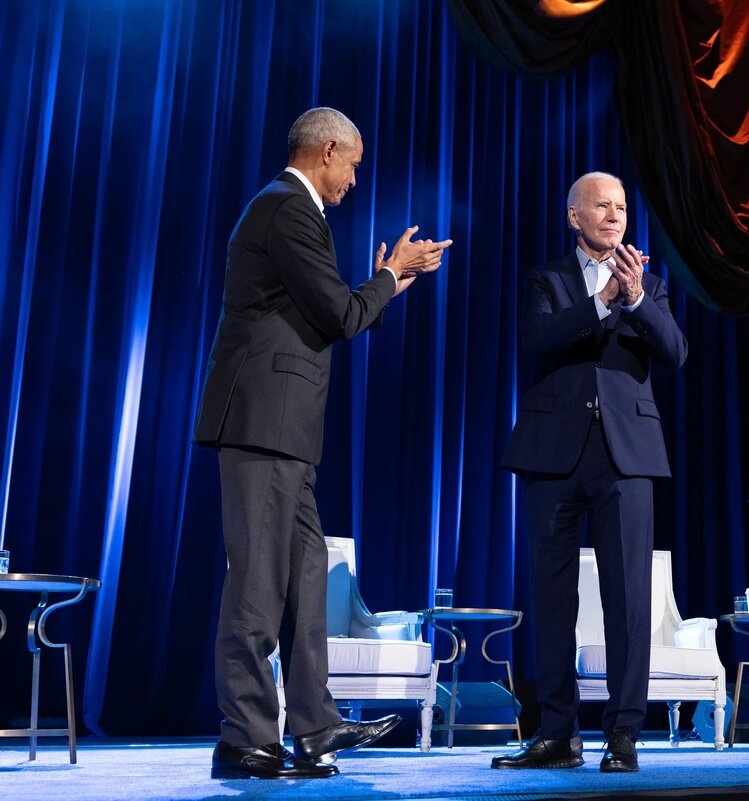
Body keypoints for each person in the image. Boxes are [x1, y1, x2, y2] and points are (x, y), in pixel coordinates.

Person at [194, 107, 451, 780]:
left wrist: (385, 281)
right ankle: (245, 737)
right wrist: (392, 274)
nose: (356, 179)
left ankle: (314, 725)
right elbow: (341, 314)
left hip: (288, 431)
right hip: (261, 423)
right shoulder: (288, 207)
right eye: (354, 164)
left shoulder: (292, 211)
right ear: (328, 151)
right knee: (256, 585)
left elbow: (335, 308)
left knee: (307, 580)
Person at [492, 172, 687, 773]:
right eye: (602, 205)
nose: (615, 215)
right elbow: (537, 342)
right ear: (574, 216)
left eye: (623, 206)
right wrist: (600, 302)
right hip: (554, 453)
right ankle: (556, 733)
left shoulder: (648, 285)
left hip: (626, 456)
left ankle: (624, 733)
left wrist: (632, 300)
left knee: (628, 596)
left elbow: (675, 352)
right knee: (552, 597)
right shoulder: (547, 279)